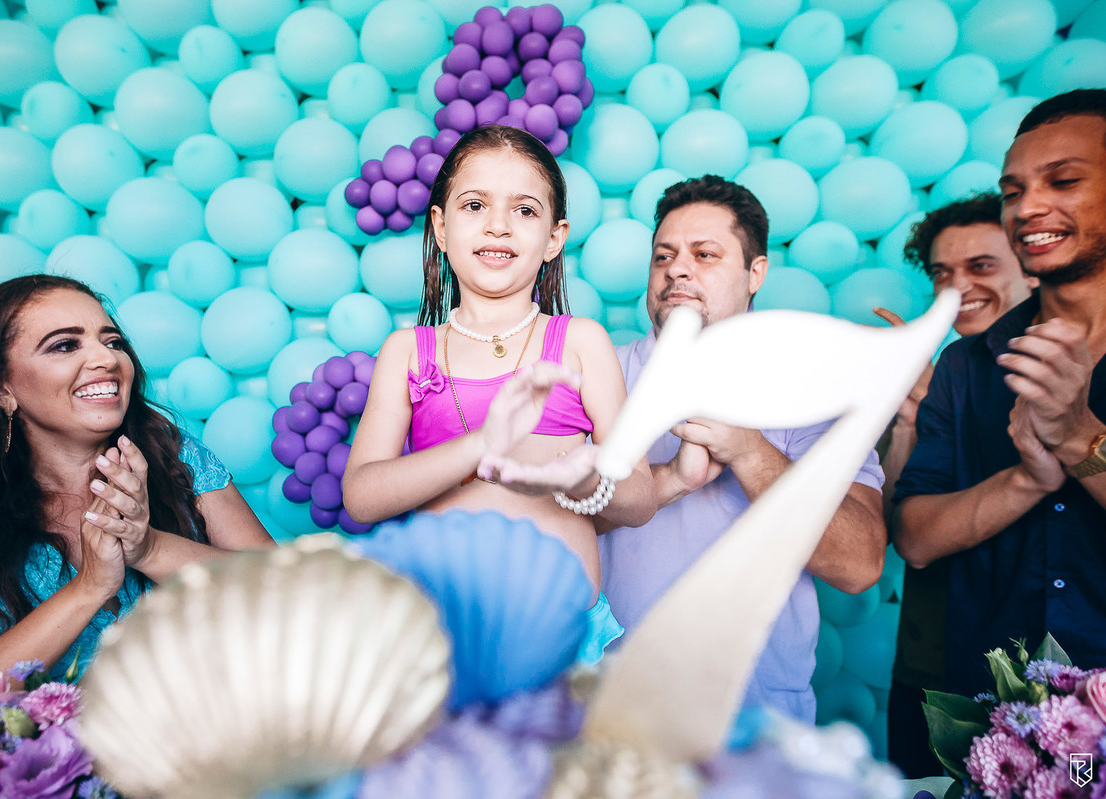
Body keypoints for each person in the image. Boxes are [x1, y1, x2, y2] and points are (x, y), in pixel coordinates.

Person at [343, 125, 656, 663]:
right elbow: (363, 495)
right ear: (440, 226)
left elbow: (642, 498)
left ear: (555, 238)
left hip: (563, 643)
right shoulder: (407, 351)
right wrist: (481, 445)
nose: (497, 226)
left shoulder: (581, 343)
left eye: (525, 211)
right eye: (473, 205)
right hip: (442, 641)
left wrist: (583, 479)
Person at [0, 275, 274, 705]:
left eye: (113, 342)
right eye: (65, 345)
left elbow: (302, 594)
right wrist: (89, 588)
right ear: (1, 388)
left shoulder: (172, 452)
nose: (107, 359)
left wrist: (150, 548)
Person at [598, 175, 887, 722]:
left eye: (705, 254)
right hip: (606, 705)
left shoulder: (813, 392)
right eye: (664, 256)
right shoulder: (600, 373)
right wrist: (664, 481)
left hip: (756, 716)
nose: (677, 269)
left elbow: (860, 563)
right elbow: (537, 526)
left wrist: (752, 453)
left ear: (756, 272)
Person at [895, 89, 1106, 700]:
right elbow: (913, 537)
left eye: (1062, 181)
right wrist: (1027, 481)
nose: (1028, 207)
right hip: (997, 720)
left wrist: (1078, 437)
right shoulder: (966, 365)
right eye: (1013, 192)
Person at [873, 193, 1037, 777]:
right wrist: (912, 414)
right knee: (927, 784)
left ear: (1031, 259)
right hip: (935, 659)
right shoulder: (950, 376)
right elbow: (900, 532)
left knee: (1074, 780)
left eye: (981, 266)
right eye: (942, 273)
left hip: (1059, 674)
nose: (956, 286)